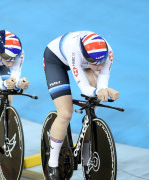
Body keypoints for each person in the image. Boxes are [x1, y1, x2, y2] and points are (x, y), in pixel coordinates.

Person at [43, 31, 120, 179]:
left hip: (83, 62)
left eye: (101, 62)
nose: (98, 67)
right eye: (94, 62)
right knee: (65, 113)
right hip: (56, 60)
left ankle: (86, 155)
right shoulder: (75, 51)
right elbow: (84, 88)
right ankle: (52, 163)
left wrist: (104, 89)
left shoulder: (107, 51)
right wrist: (100, 91)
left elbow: (102, 77)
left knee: (93, 104)